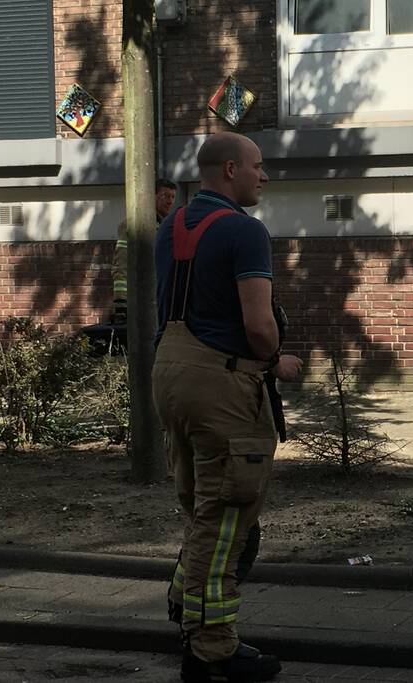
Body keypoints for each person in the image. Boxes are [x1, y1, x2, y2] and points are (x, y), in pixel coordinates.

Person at [153, 132, 303, 683]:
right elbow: (259, 325)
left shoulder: (172, 225)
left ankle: (185, 605)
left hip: (171, 373)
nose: (265, 176)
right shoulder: (245, 230)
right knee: (226, 519)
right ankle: (211, 647)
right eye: (258, 166)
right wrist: (276, 359)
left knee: (201, 509)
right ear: (231, 169)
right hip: (222, 383)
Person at [111, 178, 178, 324]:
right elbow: (121, 264)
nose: (170, 201)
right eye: (165, 196)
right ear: (152, 196)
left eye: (173, 197)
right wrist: (121, 303)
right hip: (141, 299)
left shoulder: (168, 226)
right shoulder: (134, 225)